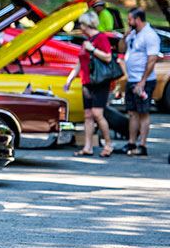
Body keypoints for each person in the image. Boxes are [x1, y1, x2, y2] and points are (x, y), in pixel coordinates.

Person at [63, 11, 114, 157]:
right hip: (87, 82)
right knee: (88, 115)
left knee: (98, 114)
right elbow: (80, 61)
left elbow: (108, 57)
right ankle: (88, 146)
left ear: (87, 24)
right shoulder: (87, 40)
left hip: (99, 82)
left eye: (82, 24)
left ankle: (108, 144)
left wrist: (93, 50)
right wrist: (70, 79)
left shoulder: (100, 38)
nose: (80, 27)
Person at [113, 8, 160, 156]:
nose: (128, 22)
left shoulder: (150, 35)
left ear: (138, 19)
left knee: (143, 113)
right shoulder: (133, 34)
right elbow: (121, 49)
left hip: (144, 81)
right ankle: (131, 143)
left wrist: (143, 81)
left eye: (130, 19)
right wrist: (123, 37)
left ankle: (143, 145)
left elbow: (152, 59)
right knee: (132, 113)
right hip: (132, 79)